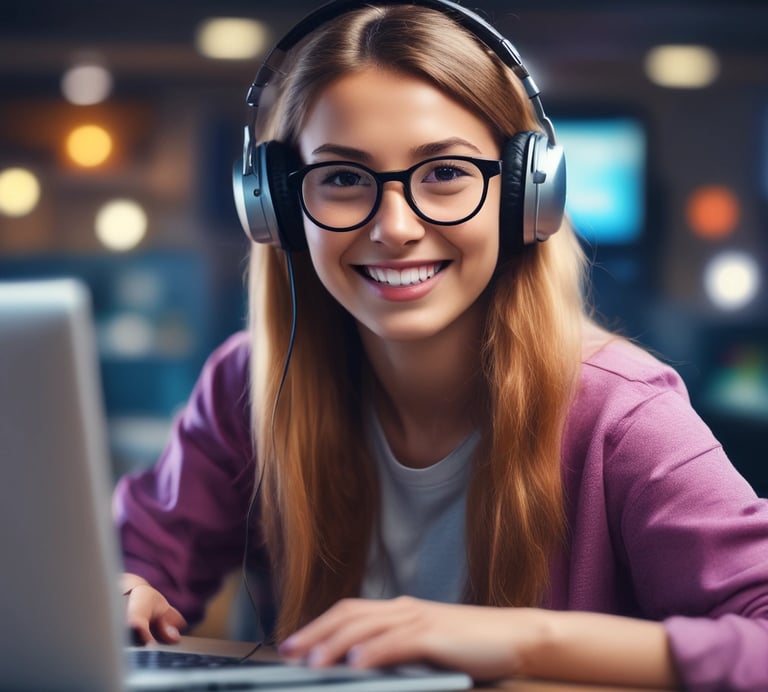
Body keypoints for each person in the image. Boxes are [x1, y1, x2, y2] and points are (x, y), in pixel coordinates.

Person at [114, 1, 768, 689]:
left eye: (446, 173)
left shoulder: (622, 415)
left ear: (525, 193)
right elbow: (135, 562)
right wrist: (122, 591)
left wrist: (522, 639)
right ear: (277, 206)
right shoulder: (249, 385)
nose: (395, 227)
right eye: (341, 178)